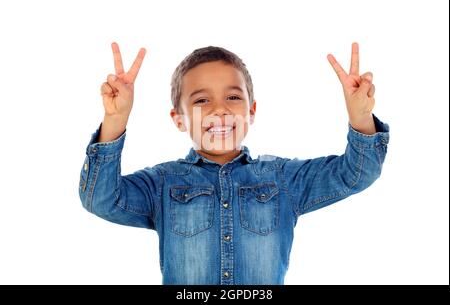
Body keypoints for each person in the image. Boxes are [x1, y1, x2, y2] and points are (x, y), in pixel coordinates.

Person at [79, 42, 390, 284]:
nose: (219, 110)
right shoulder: (163, 183)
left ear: (251, 111)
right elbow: (101, 199)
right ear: (178, 119)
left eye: (233, 97)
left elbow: (356, 174)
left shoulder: (283, 179)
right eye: (201, 100)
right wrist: (115, 119)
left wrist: (360, 117)